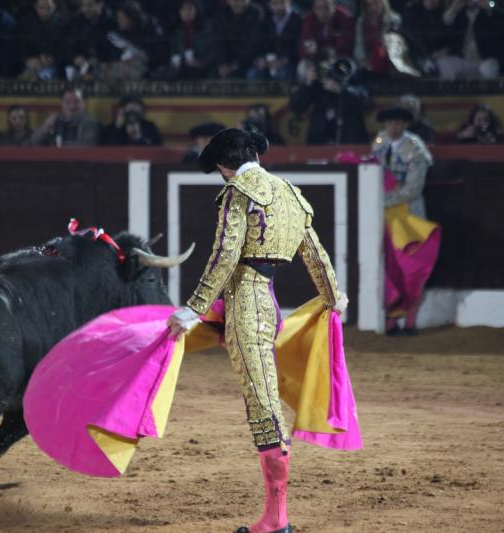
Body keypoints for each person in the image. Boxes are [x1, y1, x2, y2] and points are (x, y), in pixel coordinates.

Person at [166, 127, 348, 533]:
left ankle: (276, 520)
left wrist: (194, 309)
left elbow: (225, 255)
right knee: (260, 398)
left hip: (245, 304)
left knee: (262, 406)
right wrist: (334, 297)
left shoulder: (237, 192)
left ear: (223, 166)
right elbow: (314, 253)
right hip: (267, 300)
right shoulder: (289, 192)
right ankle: (275, 516)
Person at [371, 106, 434, 335]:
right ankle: (391, 318)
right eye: (389, 123)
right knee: (391, 267)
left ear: (405, 124)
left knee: (412, 267)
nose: (393, 127)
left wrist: (381, 201)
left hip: (410, 215)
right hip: (387, 217)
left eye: (398, 123)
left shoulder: (416, 148)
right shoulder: (379, 144)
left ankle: (410, 319)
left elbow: (413, 189)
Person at [288, 57, 370, 144]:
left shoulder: (352, 82)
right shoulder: (316, 87)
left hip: (348, 140)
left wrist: (339, 90)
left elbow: (365, 103)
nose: (330, 71)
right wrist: (308, 83)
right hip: (320, 142)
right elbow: (296, 106)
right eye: (325, 67)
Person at [248, 0, 303, 80]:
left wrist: (284, 61)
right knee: (253, 74)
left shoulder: (299, 20)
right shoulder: (266, 21)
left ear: (289, 2)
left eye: (282, 2)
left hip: (290, 62)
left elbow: (299, 48)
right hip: (269, 61)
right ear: (269, 5)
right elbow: (261, 44)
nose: (279, 7)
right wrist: (263, 60)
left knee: (282, 74)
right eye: (275, 4)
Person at [211, 0, 267, 78]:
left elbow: (254, 45)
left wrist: (237, 65)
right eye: (234, 1)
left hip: (252, 60)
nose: (237, 3)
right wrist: (222, 63)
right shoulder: (222, 13)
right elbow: (219, 41)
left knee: (253, 74)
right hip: (229, 60)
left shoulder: (256, 13)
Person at [31, 87, 100, 146]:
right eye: (68, 102)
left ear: (84, 104)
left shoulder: (90, 122)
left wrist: (56, 149)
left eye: (76, 102)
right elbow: (33, 143)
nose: (72, 107)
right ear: (61, 103)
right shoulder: (55, 119)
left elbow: (85, 147)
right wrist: (45, 128)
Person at [16, 0, 64, 80]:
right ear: (36, 8)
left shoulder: (62, 25)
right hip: (32, 64)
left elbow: (64, 51)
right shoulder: (27, 24)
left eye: (48, 8)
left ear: (55, 7)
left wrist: (52, 60)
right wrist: (28, 60)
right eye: (41, 8)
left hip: (53, 67)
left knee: (42, 77)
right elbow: (21, 47)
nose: (45, 12)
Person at [167, 0, 215, 79]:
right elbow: (174, 51)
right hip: (182, 69)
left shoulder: (206, 29)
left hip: (204, 68)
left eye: (190, 9)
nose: (187, 12)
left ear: (197, 10)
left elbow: (213, 51)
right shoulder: (177, 32)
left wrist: (201, 63)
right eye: (183, 9)